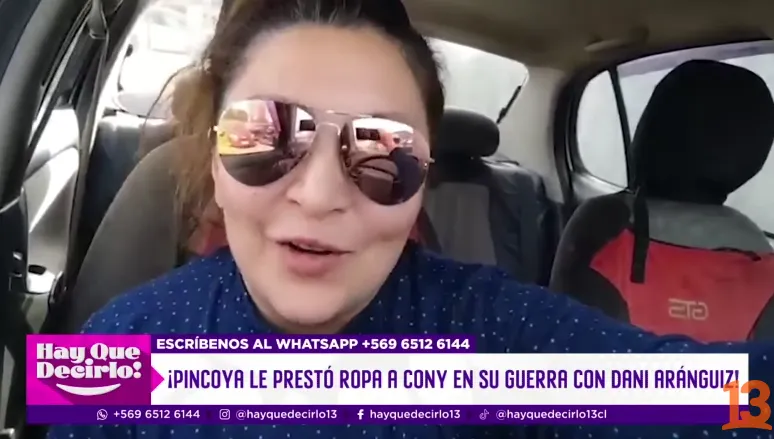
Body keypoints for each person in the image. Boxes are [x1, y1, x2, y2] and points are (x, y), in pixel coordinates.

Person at [48, 0, 774, 438]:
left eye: (383, 150)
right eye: (266, 134)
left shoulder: (491, 346)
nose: (319, 195)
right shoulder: (117, 350)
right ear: (214, 160)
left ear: (423, 182)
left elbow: (724, 399)